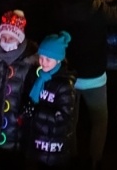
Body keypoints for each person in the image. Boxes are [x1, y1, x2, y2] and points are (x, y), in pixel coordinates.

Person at [57, 0, 117, 169]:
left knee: (71, 120)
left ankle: (71, 158)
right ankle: (94, 160)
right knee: (100, 120)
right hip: (95, 75)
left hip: (69, 74)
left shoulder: (61, 6)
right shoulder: (99, 9)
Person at [0, 11, 38, 159]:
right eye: (3, 37)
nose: (6, 41)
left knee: (13, 158)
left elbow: (32, 94)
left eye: (11, 38)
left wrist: (24, 116)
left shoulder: (29, 62)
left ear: (19, 38)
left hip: (17, 124)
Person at [23, 32, 78, 168]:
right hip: (35, 140)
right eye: (41, 57)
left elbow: (64, 117)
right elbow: (28, 98)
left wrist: (36, 112)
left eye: (49, 59)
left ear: (58, 60)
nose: (43, 62)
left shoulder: (65, 85)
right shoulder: (36, 75)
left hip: (52, 147)